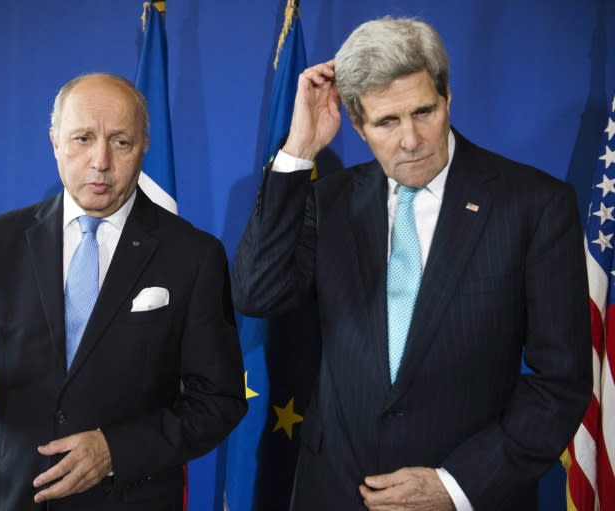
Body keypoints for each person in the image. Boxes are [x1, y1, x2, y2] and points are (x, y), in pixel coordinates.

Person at [232, 16, 591, 511]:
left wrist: (456, 485)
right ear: (356, 125)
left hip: (470, 494)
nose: (410, 140)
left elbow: (561, 382)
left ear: (448, 99)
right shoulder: (327, 200)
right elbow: (256, 292)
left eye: (424, 112)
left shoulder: (534, 205)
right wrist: (298, 151)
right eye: (386, 122)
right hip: (334, 491)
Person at [0, 73, 247, 510]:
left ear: (144, 146)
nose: (100, 160)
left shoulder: (193, 255)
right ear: (54, 143)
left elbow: (219, 402)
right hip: (7, 497)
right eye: (82, 138)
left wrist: (114, 451)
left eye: (120, 142)